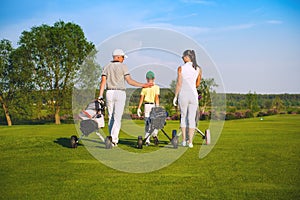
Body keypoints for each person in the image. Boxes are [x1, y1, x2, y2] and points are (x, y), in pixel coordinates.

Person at [98, 49, 153, 146]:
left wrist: (100, 96)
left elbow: (103, 82)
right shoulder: (123, 66)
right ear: (118, 57)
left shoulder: (106, 66)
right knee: (117, 118)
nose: (123, 59)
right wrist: (143, 85)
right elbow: (129, 81)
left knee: (111, 117)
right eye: (123, 57)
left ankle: (111, 138)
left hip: (109, 92)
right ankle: (113, 140)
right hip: (120, 92)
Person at [173, 50, 202, 148]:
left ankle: (184, 141)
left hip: (183, 95)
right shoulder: (198, 69)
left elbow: (179, 84)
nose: (182, 58)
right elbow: (197, 84)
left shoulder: (181, 68)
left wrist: (175, 96)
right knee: (191, 119)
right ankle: (190, 142)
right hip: (193, 95)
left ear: (187, 57)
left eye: (183, 57)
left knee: (183, 117)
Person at [137, 71, 160, 146]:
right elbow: (157, 98)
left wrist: (139, 108)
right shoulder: (156, 87)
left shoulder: (144, 88)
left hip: (147, 105)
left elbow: (141, 99)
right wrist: (157, 107)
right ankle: (155, 135)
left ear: (146, 79)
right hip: (153, 105)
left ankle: (147, 140)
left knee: (147, 123)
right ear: (154, 78)